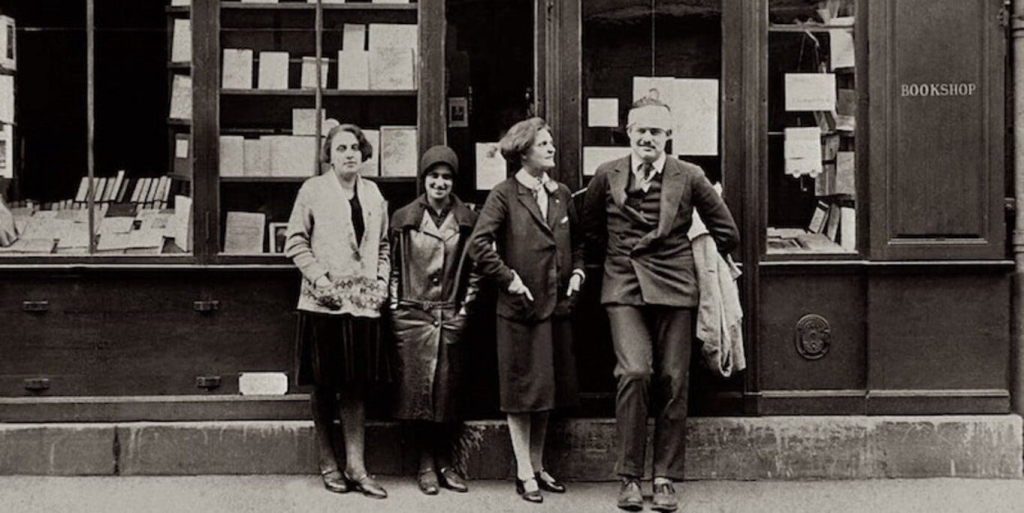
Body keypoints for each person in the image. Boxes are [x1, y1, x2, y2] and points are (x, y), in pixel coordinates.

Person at [581, 98, 740, 512]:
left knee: (672, 379)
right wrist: (619, 258)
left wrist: (699, 266)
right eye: (640, 130)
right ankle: (630, 477)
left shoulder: (689, 176)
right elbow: (590, 228)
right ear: (628, 132)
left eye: (656, 131)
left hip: (674, 285)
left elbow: (726, 231)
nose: (647, 137)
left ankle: (665, 477)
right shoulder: (606, 174)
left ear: (669, 136)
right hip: (624, 285)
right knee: (634, 372)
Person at [468, 117, 584, 504]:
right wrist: (510, 279)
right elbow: (480, 246)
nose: (552, 148)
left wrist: (579, 272)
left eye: (551, 142)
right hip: (520, 309)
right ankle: (522, 471)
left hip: (557, 309)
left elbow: (579, 242)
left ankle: (537, 466)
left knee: (546, 390)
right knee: (521, 392)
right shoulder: (504, 194)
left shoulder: (561, 193)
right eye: (543, 144)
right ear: (523, 152)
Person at [285, 122, 391, 500]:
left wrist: (381, 283)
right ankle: (329, 463)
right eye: (341, 148)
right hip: (322, 304)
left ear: (364, 155)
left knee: (356, 386)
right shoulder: (313, 190)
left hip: (362, 307)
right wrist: (320, 280)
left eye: (355, 148)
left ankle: (357, 467)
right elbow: (295, 241)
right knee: (325, 385)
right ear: (329, 155)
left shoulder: (374, 194)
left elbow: (383, 246)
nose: (349, 154)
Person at [388, 145, 479, 496]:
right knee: (417, 396)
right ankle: (425, 464)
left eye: (446, 178)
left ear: (453, 182)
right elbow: (394, 266)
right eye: (433, 177)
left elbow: (476, 270)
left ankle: (445, 462)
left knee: (447, 394)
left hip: (451, 314)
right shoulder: (404, 218)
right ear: (423, 180)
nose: (439, 184)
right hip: (413, 315)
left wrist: (466, 310)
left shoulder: (468, 219)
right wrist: (396, 307)